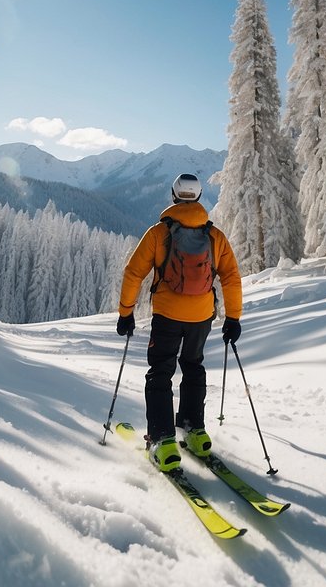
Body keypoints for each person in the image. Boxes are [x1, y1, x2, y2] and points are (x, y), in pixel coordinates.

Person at [115, 172, 242, 472]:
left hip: (167, 315)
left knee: (160, 372)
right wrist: (233, 317)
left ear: (174, 197)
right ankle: (194, 429)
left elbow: (133, 272)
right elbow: (232, 277)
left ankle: (162, 439)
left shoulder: (159, 233)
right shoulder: (215, 236)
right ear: (198, 198)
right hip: (201, 317)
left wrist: (125, 312)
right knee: (194, 366)